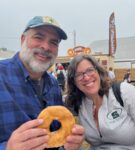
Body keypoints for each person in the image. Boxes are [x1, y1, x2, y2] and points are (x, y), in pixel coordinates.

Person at [0, 16, 84, 150]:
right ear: (23, 40)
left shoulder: (53, 84)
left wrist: (67, 145)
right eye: (38, 37)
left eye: (53, 42)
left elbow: (56, 136)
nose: (46, 46)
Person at [65, 54, 135, 150]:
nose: (86, 77)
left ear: (98, 71)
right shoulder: (79, 104)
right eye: (79, 74)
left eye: (90, 70)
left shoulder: (123, 92)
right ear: (74, 82)